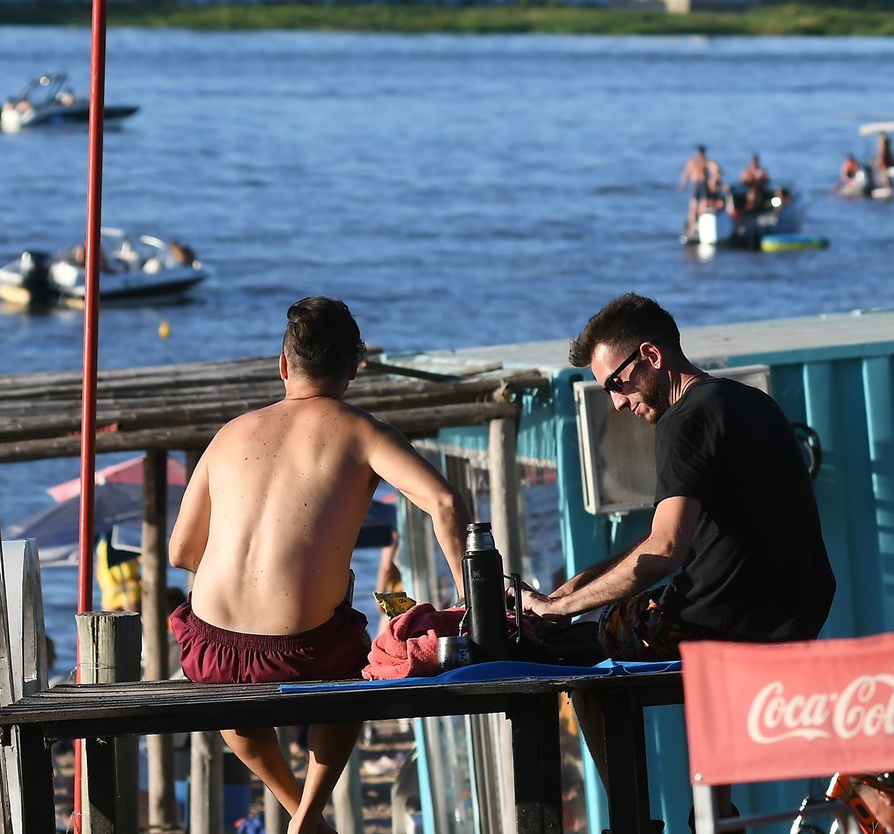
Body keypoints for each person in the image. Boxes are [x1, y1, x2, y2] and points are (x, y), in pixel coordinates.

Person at [168, 296, 472, 834]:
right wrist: (470, 602)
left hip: (209, 646)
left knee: (231, 713)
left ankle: (295, 809)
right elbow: (445, 504)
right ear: (353, 369)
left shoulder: (229, 433)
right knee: (355, 674)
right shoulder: (361, 431)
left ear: (283, 365)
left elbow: (180, 553)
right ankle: (307, 814)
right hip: (303, 648)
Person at [523, 293, 836, 660]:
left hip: (722, 624)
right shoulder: (751, 400)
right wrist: (568, 592)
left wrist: (559, 611)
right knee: (599, 613)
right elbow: (668, 537)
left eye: (615, 384)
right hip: (799, 617)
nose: (617, 403)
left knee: (576, 641)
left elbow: (664, 551)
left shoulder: (684, 420)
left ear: (651, 356)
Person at [678, 145, 721, 233]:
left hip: (701, 184)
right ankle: (692, 228)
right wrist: (683, 184)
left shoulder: (703, 161)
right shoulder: (696, 161)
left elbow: (715, 168)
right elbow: (686, 174)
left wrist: (713, 180)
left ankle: (696, 226)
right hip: (698, 184)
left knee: (702, 206)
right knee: (694, 207)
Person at [96, 537, 142, 612]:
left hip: (113, 591)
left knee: (108, 620)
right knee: (131, 621)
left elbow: (98, 573)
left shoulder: (102, 544)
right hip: (127, 589)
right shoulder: (127, 539)